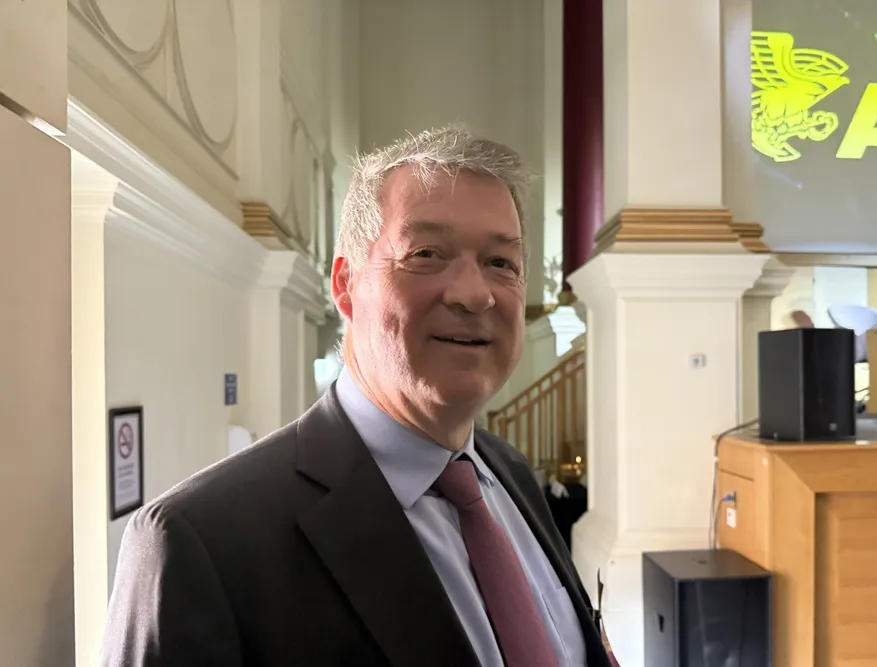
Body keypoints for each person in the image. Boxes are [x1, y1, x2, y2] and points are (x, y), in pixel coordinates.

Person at [100, 126, 616, 667]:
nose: (474, 294)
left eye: (501, 263)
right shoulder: (199, 544)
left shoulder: (509, 472)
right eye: (426, 253)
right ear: (346, 285)